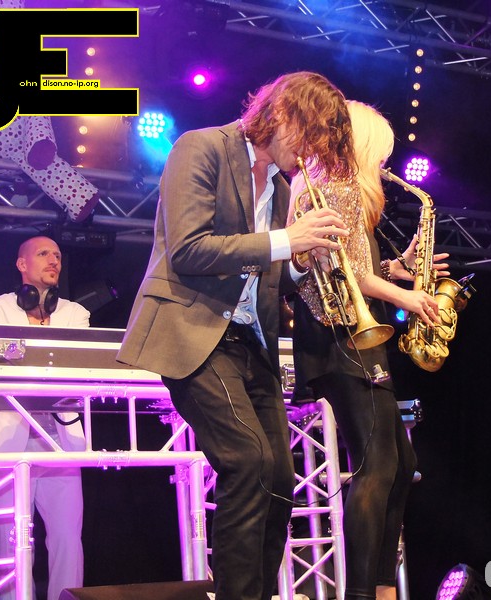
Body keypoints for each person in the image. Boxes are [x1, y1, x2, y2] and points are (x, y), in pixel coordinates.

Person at [116, 71, 355, 600]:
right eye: (310, 136)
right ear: (283, 114)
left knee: (280, 481)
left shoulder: (281, 187)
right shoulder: (200, 147)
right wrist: (284, 239)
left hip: (252, 343)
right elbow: (189, 249)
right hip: (195, 332)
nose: (310, 153)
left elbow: (267, 276)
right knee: (248, 462)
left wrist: (300, 262)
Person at [288, 100, 447, 600]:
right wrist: (404, 296)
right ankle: (365, 592)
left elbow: (350, 265)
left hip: (345, 337)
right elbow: (347, 274)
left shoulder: (332, 186)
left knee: (398, 463)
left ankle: (380, 587)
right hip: (343, 337)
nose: (384, 163)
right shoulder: (338, 184)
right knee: (377, 466)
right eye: (380, 151)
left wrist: (396, 269)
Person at [0, 235, 87, 600]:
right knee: (9, 545)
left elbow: (74, 369)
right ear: (22, 264)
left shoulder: (74, 313)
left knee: (68, 540)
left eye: (58, 255)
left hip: (60, 441)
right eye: (43, 254)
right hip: (4, 441)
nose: (54, 260)